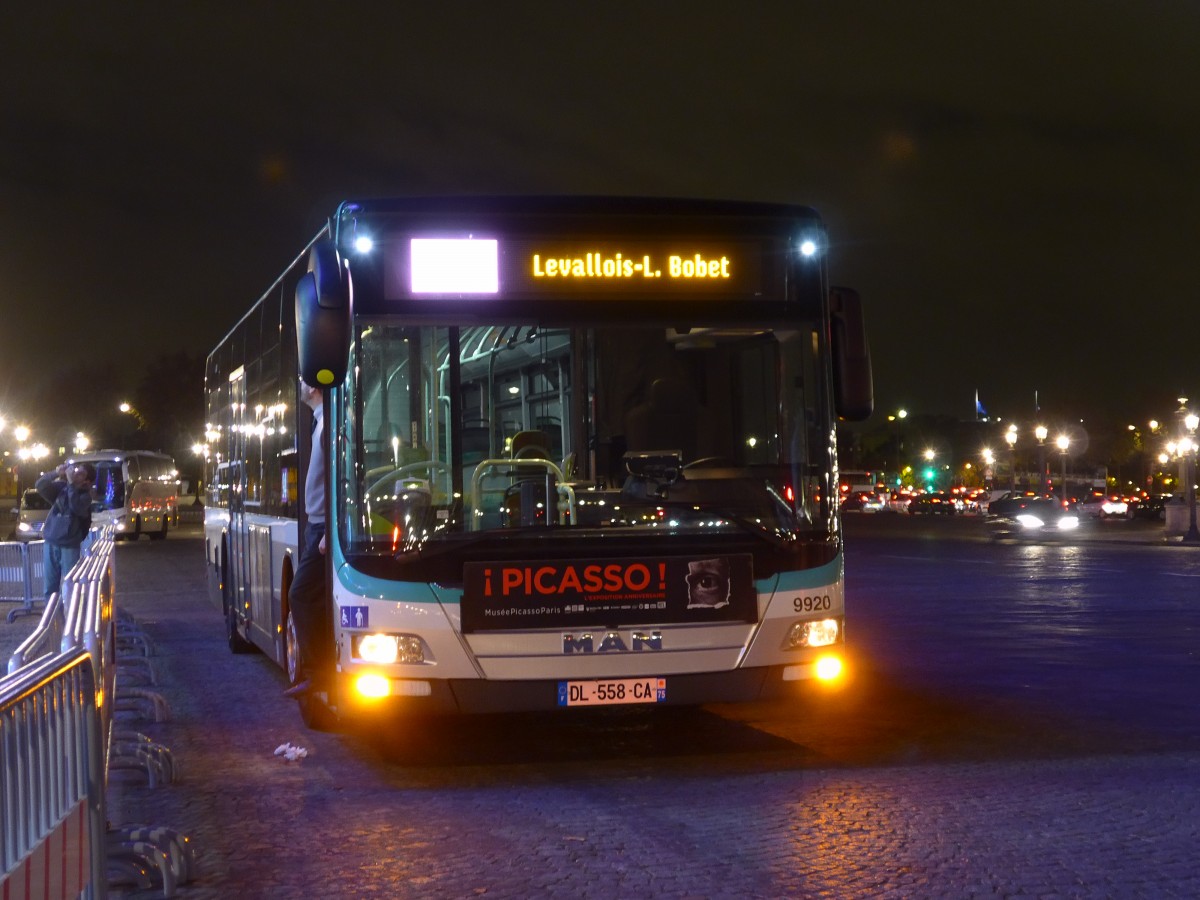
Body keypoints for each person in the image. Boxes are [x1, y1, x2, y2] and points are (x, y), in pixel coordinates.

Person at [284, 379, 333, 698]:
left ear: (315, 389)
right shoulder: (320, 422)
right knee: (311, 598)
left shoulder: (328, 422)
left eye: (304, 381)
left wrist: (332, 527)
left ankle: (319, 674)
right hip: (316, 524)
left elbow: (338, 475)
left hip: (322, 526)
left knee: (300, 595)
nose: (299, 384)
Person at [36, 461, 95, 599]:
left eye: (80, 473)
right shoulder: (62, 487)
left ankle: (70, 617)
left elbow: (76, 507)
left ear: (87, 481)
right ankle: (52, 618)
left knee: (69, 586)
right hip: (51, 541)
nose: (75, 473)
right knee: (49, 587)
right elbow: (40, 485)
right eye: (75, 470)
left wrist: (72, 485)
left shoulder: (86, 496)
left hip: (69, 544)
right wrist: (56, 473)